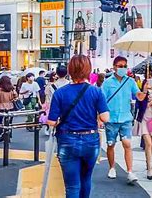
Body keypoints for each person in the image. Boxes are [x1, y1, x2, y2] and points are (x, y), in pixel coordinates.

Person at [47, 55, 110, 198]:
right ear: (88, 70)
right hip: (91, 140)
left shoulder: (60, 93)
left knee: (72, 186)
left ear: (70, 70)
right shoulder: (96, 91)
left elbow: (51, 122)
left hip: (67, 140)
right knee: (86, 179)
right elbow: (105, 117)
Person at [102, 56, 147, 183]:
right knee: (111, 144)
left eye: (125, 66)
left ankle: (130, 171)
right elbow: (102, 101)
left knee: (127, 144)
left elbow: (139, 97)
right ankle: (111, 168)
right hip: (111, 120)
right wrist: (100, 117)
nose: (123, 68)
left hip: (126, 118)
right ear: (114, 67)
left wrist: (144, 90)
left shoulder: (130, 81)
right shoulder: (107, 83)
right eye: (120, 66)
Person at [134, 72, 152, 180]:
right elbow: (138, 104)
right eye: (148, 78)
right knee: (148, 143)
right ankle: (150, 168)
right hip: (144, 119)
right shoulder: (142, 92)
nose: (150, 80)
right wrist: (145, 92)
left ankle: (148, 161)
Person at [0, 76, 17, 141]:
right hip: (10, 106)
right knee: (9, 122)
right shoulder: (12, 89)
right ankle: (8, 134)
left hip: (1, 107)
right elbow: (16, 97)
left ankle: (1, 131)